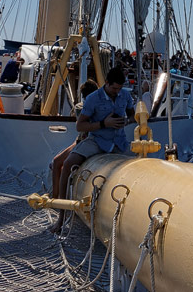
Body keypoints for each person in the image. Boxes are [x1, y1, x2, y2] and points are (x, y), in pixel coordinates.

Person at [50, 67, 135, 234]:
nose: (117, 92)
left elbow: (132, 115)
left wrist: (126, 121)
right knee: (67, 165)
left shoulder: (125, 95)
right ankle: (61, 217)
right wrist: (104, 124)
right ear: (107, 83)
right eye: (114, 88)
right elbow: (80, 126)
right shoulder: (92, 99)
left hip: (119, 141)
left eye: (119, 89)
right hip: (97, 140)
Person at [50, 79, 98, 201]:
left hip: (83, 142)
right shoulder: (99, 106)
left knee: (58, 163)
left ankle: (58, 200)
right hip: (82, 140)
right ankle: (57, 198)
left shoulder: (81, 107)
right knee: (57, 162)